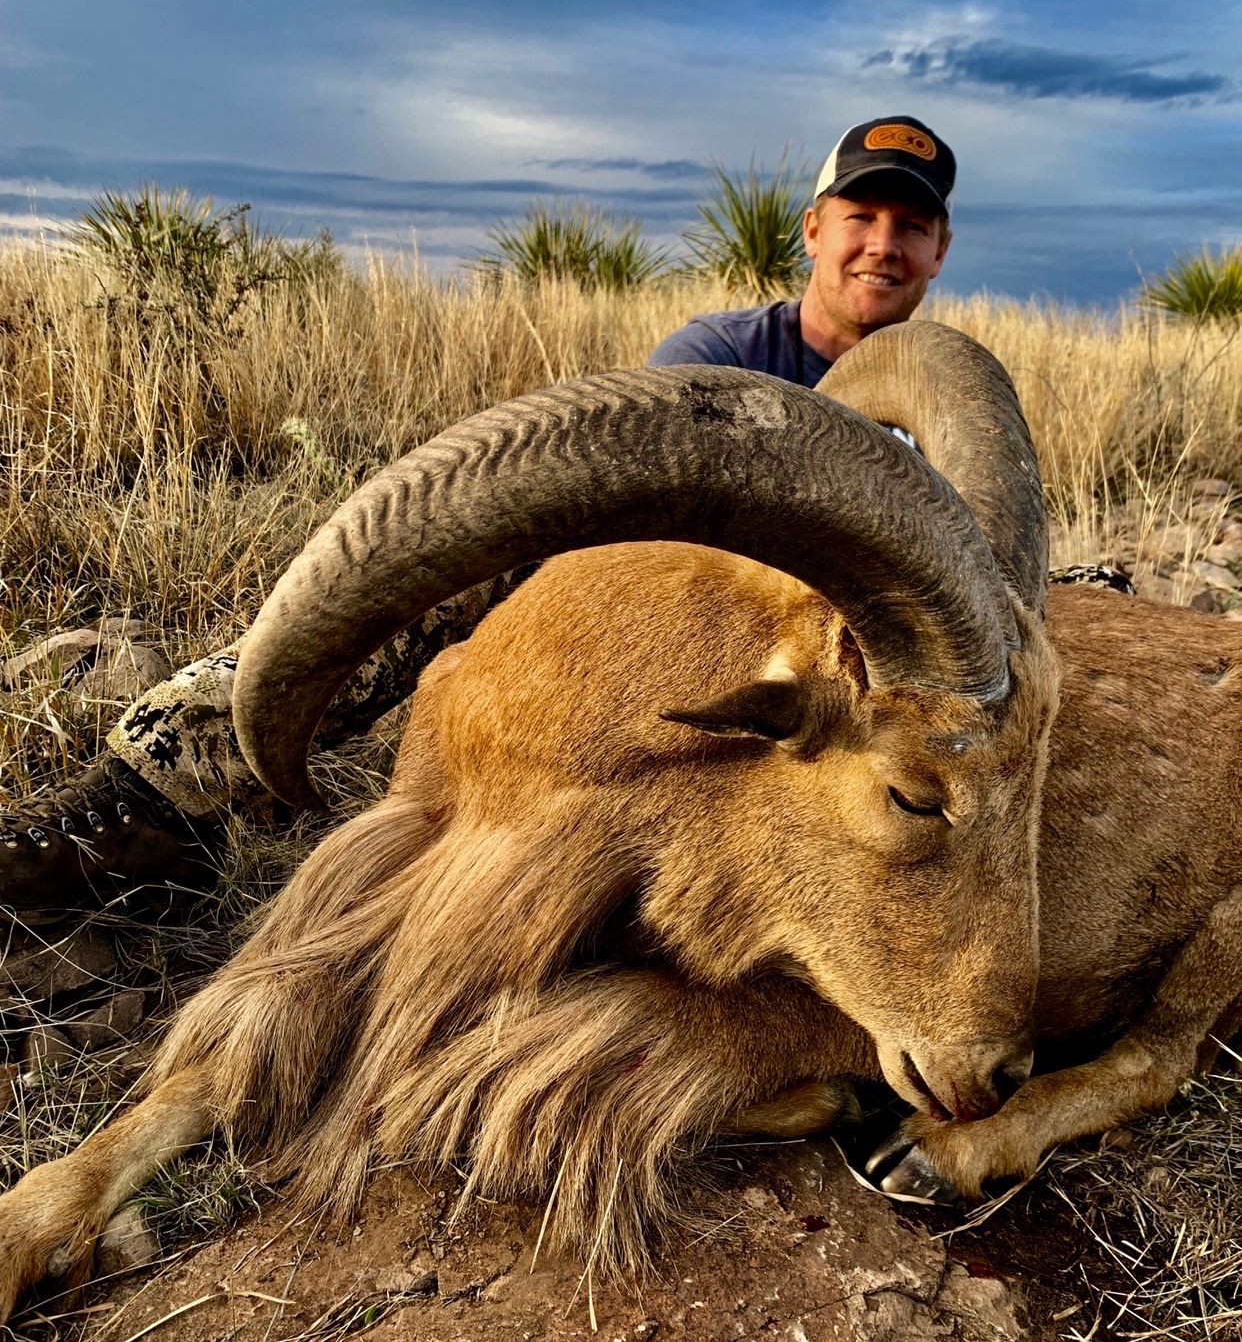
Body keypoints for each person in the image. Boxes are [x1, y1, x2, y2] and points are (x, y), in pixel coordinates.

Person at [0, 115, 1129, 918]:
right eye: (862, 214)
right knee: (478, 568)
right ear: (813, 228)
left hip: (859, 710)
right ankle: (161, 784)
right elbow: (644, 549)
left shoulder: (952, 419)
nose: (884, 242)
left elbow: (975, 610)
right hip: (697, 621)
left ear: (940, 251)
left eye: (911, 224)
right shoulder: (719, 359)